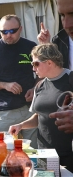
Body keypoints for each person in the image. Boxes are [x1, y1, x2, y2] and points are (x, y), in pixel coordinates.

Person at [9, 43, 73, 173]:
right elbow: (39, 116)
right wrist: (21, 125)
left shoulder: (70, 79)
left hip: (69, 153)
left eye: (36, 64)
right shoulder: (39, 86)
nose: (33, 68)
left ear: (49, 62)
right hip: (45, 152)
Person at [0, 14, 38, 148]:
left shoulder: (31, 47)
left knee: (33, 152)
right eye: (4, 32)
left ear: (20, 29)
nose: (8, 35)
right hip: (5, 111)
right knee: (4, 153)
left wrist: (35, 89)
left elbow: (43, 73)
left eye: (12, 31)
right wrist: (4, 85)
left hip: (30, 109)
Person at [37, 0, 73, 134]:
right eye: (62, 15)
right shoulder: (60, 39)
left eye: (72, 13)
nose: (67, 24)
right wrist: (45, 45)